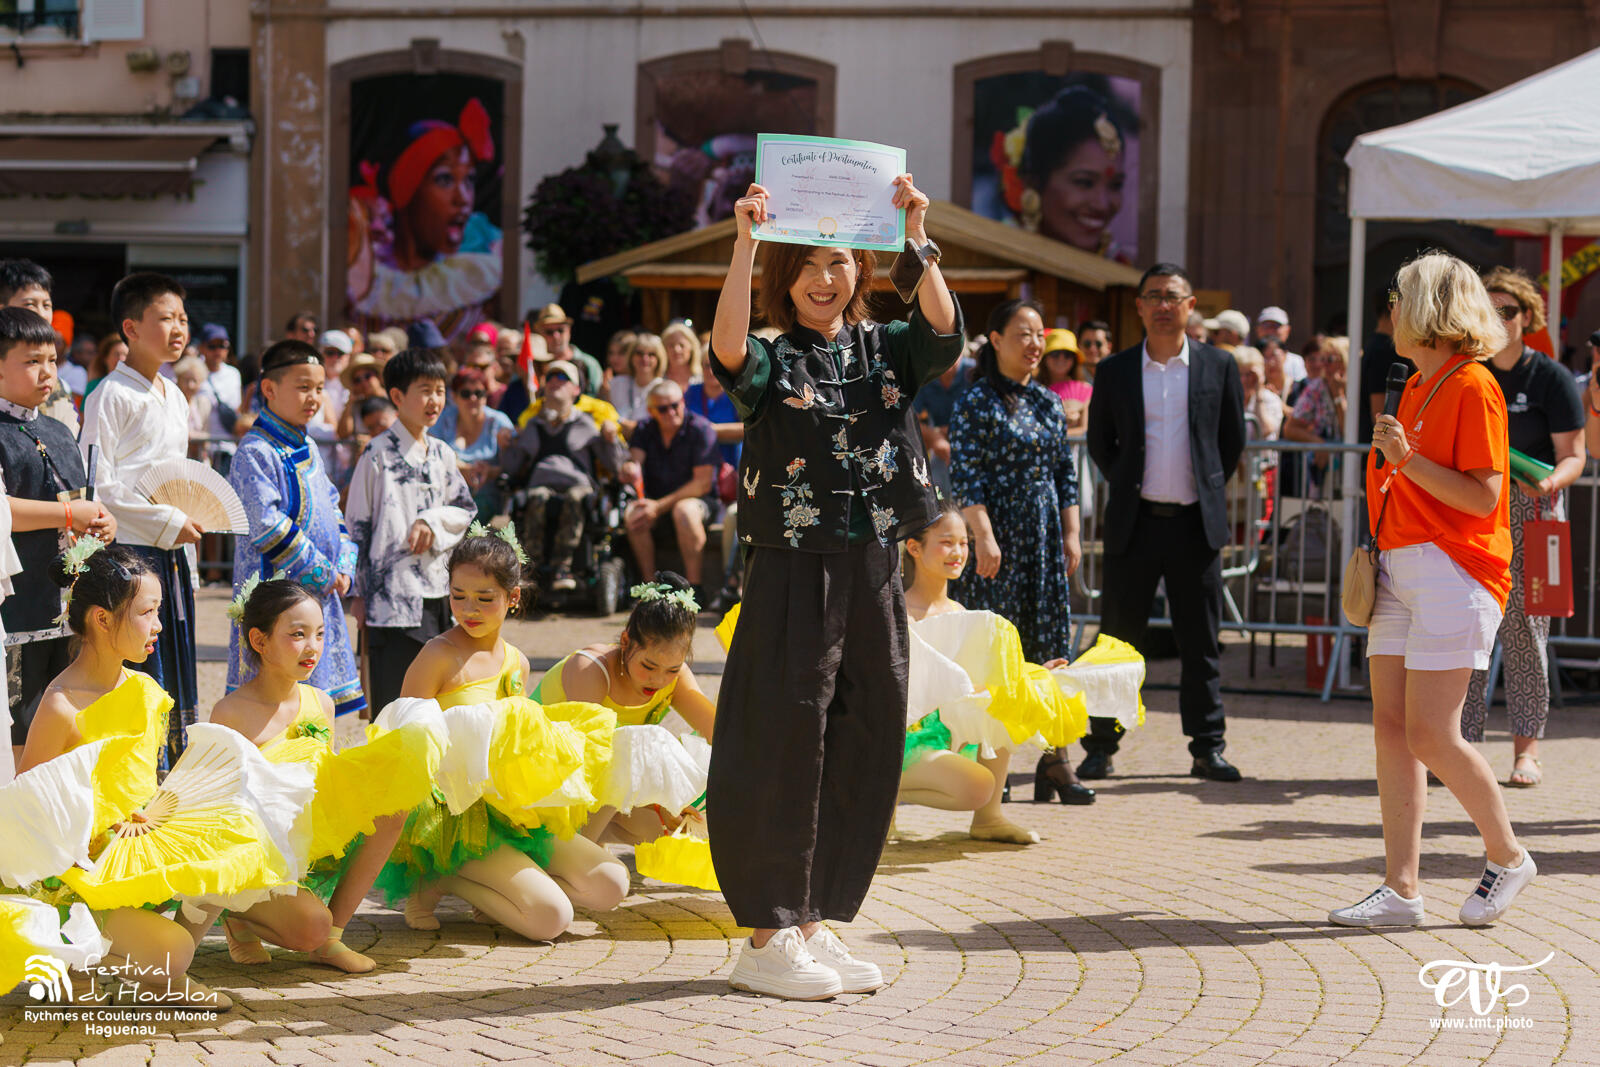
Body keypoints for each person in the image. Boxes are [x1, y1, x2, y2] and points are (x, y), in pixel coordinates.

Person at [708, 173, 960, 999]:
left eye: (840, 262)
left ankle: (811, 921)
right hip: (791, 560)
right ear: (789, 277)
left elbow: (944, 329)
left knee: (865, 728)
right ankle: (765, 933)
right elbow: (730, 353)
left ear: (860, 271)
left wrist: (915, 235)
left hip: (871, 557)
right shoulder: (776, 354)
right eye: (809, 263)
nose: (825, 277)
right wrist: (745, 244)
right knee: (783, 735)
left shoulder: (883, 345)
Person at [1330, 251, 1535, 929]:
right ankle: (1401, 890)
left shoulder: (1473, 385)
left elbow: (1483, 497)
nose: (1389, 310)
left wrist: (1408, 461)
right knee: (1393, 729)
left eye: (1397, 297)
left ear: (1426, 308)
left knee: (1429, 731)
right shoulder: (1418, 381)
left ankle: (1507, 854)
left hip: (1455, 567)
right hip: (1400, 566)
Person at [17, 545, 233, 1009]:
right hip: (79, 876)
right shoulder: (62, 706)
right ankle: (74, 955)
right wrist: (93, 842)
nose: (158, 626)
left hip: (136, 853)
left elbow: (142, 782)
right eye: (148, 613)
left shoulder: (146, 689)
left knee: (232, 851)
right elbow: (27, 812)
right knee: (174, 953)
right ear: (101, 618)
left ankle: (153, 971)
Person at [389, 527, 629, 938]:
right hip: (456, 816)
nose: (469, 609)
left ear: (512, 598)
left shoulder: (516, 661)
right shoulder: (438, 655)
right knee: (551, 918)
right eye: (458, 595)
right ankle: (442, 875)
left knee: (612, 883)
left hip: (515, 810)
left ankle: (499, 885)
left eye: (485, 599)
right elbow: (401, 737)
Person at [208, 578, 438, 973]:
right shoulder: (230, 713)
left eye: (319, 633)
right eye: (297, 635)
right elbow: (217, 808)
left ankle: (332, 938)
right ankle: (237, 914)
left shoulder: (322, 703)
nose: (312, 646)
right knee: (310, 927)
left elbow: (326, 779)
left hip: (310, 837)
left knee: (392, 806)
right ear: (259, 641)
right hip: (256, 853)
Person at [1082, 263, 1246, 782]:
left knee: (1201, 643)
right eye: (1152, 296)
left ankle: (1207, 746)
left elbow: (1230, 442)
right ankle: (1101, 746)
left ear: (1190, 305)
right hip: (1135, 524)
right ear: (1138, 307)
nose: (1162, 305)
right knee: (1116, 642)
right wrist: (1130, 482)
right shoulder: (1115, 371)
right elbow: (1101, 444)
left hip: (1195, 526)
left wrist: (1205, 487)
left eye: (1172, 296)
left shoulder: (1219, 366)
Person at [949, 300, 1088, 804]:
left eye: (1039, 334)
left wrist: (1071, 533)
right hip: (997, 538)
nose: (1034, 344)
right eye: (1023, 334)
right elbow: (967, 476)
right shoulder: (976, 401)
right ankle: (994, 765)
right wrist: (982, 536)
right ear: (996, 341)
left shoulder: (1050, 403)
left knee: (1050, 645)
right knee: (997, 652)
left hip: (1045, 535)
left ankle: (1056, 760)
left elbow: (1064, 475)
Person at [1461, 268, 1586, 788]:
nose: (1497, 319)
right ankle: (1459, 747)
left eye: (1506, 310)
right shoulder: (1471, 373)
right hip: (1475, 511)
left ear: (1527, 317)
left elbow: (1574, 455)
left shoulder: (1550, 377)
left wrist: (1551, 482)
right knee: (1467, 629)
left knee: (1527, 633)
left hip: (1536, 512)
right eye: (1488, 310)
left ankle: (1527, 751)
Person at [80, 272, 206, 771]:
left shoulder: (175, 395)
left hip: (173, 548)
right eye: (165, 318)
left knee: (174, 657)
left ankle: (175, 772)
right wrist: (164, 519)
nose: (178, 329)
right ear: (130, 327)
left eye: (183, 318)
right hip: (133, 548)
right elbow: (100, 486)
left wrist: (185, 517)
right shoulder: (109, 395)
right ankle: (135, 773)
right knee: (139, 661)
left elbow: (179, 476)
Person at [901, 502, 1086, 839]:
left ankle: (988, 819)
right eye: (946, 542)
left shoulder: (961, 613)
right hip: (903, 742)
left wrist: (1037, 674)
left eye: (964, 543)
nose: (958, 552)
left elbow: (979, 685)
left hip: (950, 737)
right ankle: (880, 803)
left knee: (1008, 700)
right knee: (978, 785)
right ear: (914, 547)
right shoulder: (898, 612)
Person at [227, 339, 366, 733]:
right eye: (304, 387)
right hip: (279, 587)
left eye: (320, 388)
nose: (314, 398)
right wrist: (323, 572)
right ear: (269, 390)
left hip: (319, 590)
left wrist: (344, 564)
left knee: (312, 695)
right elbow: (267, 526)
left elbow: (332, 507)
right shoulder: (255, 450)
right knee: (272, 696)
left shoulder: (306, 443)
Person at [0, 308, 116, 761]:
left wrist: (105, 521)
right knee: (23, 725)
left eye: (51, 359)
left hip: (70, 602)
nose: (47, 371)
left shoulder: (57, 429)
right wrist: (70, 513)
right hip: (18, 602)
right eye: (32, 361)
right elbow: (2, 508)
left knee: (73, 718)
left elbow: (85, 498)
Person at [533, 572, 717, 845]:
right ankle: (565, 848)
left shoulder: (674, 677)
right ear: (625, 641)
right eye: (648, 666)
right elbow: (590, 760)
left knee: (657, 831)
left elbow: (718, 734)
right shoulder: (589, 669)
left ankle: (587, 841)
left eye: (672, 670)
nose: (658, 679)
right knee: (634, 749)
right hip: (545, 776)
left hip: (603, 786)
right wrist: (664, 798)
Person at [345, 347, 476, 716]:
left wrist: (431, 521)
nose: (434, 400)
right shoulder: (376, 454)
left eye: (439, 390)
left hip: (438, 593)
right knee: (392, 705)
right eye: (424, 390)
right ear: (398, 397)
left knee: (433, 704)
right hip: (390, 599)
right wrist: (356, 591)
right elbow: (355, 527)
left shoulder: (443, 454)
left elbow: (465, 510)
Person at [346, 98, 501, 345]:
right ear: (407, 191)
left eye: (469, 181)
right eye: (444, 180)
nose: (463, 199)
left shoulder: (478, 275)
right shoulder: (370, 280)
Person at [500, 360, 626, 596]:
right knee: (535, 497)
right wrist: (505, 446)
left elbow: (615, 465)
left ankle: (563, 568)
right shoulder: (533, 424)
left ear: (576, 390)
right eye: (551, 378)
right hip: (541, 484)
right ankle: (532, 568)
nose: (555, 382)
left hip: (578, 486)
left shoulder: (587, 423)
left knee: (575, 497)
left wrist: (611, 440)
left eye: (563, 378)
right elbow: (513, 467)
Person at [1009, 85, 1132, 260]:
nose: (1102, 204)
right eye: (1085, 182)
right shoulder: (1000, 272)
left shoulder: (1121, 272)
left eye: (1116, 185)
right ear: (1033, 182)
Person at [623, 379, 721, 598]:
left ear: (683, 402)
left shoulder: (701, 429)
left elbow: (702, 484)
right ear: (651, 411)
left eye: (675, 405)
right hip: (655, 502)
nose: (671, 412)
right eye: (663, 408)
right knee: (634, 514)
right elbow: (635, 463)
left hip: (699, 502)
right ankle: (650, 589)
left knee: (684, 511)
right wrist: (629, 468)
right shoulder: (645, 428)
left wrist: (658, 506)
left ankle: (694, 589)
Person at [431, 367, 515, 520]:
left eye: (479, 393)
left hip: (488, 498)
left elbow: (513, 466)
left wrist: (489, 472)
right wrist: (463, 469)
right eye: (465, 394)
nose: (473, 399)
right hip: (447, 495)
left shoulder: (499, 422)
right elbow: (431, 456)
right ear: (454, 396)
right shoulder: (442, 421)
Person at [1281, 336, 1350, 497]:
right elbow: (1290, 428)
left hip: (1354, 469)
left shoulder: (1359, 386)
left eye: (1330, 359)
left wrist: (1339, 396)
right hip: (1325, 474)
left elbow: (1348, 430)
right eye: (1322, 359)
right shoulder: (1317, 387)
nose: (1323, 365)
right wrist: (1321, 444)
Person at [910, 345, 977, 495]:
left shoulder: (974, 372)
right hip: (942, 446)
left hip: (973, 442)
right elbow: (910, 418)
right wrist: (934, 437)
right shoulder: (927, 376)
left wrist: (955, 429)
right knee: (936, 487)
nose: (943, 360)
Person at [530, 304, 603, 397]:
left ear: (569, 331)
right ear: (540, 334)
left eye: (561, 330)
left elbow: (597, 398)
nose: (556, 336)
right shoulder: (534, 363)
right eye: (549, 332)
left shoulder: (589, 363)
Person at [1036, 327, 1092, 432]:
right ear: (1045, 358)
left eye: (1067, 355)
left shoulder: (1085, 389)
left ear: (1074, 359)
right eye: (1055, 354)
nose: (1061, 359)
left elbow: (1085, 429)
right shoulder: (1032, 388)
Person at [608, 331, 663, 426]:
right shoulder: (616, 384)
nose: (645, 358)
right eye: (639, 353)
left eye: (651, 354)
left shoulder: (663, 388)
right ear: (631, 356)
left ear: (659, 359)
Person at [1234, 346, 1283, 441]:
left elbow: (1265, 430)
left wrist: (1258, 392)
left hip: (1261, 455)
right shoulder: (1229, 399)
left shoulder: (1270, 399)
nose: (1243, 380)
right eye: (1238, 374)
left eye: (1249, 374)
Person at [1256, 306, 1306, 382]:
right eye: (1266, 325)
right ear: (1257, 329)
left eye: (1276, 326)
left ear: (1287, 330)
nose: (1270, 330)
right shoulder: (1248, 360)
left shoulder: (1297, 362)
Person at [661, 322, 704, 391]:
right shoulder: (659, 379)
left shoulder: (702, 379)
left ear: (692, 348)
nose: (676, 350)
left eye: (681, 345)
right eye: (671, 345)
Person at [599, 329, 638, 404]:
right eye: (611, 353)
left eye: (621, 353)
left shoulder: (640, 381)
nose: (614, 358)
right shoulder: (607, 382)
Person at [86, 333, 127, 397]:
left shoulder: (133, 387)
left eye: (125, 354)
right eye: (116, 354)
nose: (121, 359)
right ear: (105, 358)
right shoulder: (94, 386)